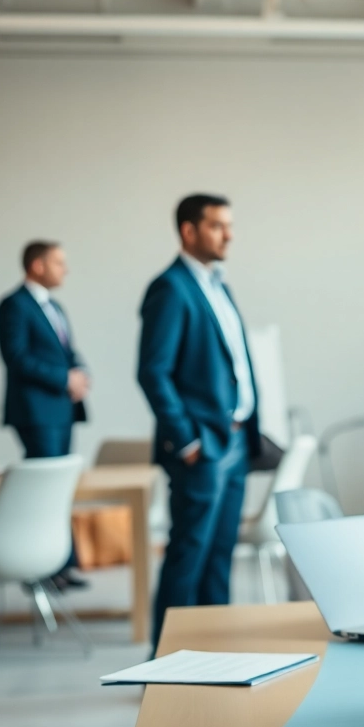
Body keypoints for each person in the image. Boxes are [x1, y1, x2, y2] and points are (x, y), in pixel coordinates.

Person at [137, 194, 261, 651]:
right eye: (217, 226)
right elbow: (153, 372)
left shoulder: (217, 284)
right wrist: (187, 439)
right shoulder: (169, 288)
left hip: (235, 443)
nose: (229, 234)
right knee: (188, 556)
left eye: (229, 225)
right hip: (202, 448)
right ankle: (165, 663)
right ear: (189, 231)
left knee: (218, 559)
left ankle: (216, 654)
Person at [0, 240, 90, 590]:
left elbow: (66, 352)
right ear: (37, 266)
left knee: (60, 488)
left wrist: (79, 373)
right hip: (36, 412)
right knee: (42, 490)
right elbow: (16, 357)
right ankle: (41, 568)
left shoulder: (56, 307)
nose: (65, 269)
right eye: (58, 262)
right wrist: (64, 377)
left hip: (62, 409)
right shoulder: (13, 306)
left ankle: (61, 565)